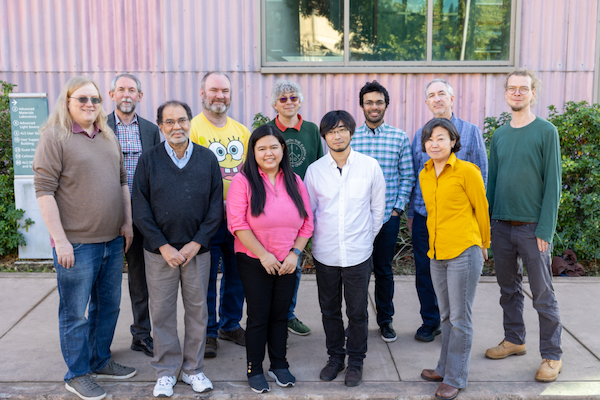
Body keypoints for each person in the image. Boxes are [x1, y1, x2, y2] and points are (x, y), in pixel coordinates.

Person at [33, 76, 136, 400]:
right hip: (76, 245)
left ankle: (99, 359)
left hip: (112, 240)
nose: (90, 105)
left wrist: (128, 224)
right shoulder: (55, 137)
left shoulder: (108, 136)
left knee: (108, 308)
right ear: (67, 102)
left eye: (94, 99)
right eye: (82, 99)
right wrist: (60, 240)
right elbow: (44, 191)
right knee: (75, 312)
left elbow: (122, 182)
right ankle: (77, 373)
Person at [133, 101, 223, 397]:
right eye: (169, 122)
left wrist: (197, 242)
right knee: (161, 312)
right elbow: (140, 207)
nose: (177, 127)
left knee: (198, 312)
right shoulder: (149, 160)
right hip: (160, 254)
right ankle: (166, 371)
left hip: (198, 251)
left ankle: (193, 369)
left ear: (190, 123)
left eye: (182, 120)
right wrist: (163, 245)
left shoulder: (207, 159)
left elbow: (215, 206)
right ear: (160, 126)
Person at [485, 69, 563, 383]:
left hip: (533, 228)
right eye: (512, 88)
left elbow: (554, 185)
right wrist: (486, 228)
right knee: (508, 290)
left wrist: (545, 229)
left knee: (543, 294)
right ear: (506, 93)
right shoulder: (500, 135)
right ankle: (515, 339)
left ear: (533, 93)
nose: (517, 93)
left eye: (524, 88)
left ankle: (552, 355)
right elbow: (491, 184)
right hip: (501, 226)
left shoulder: (547, 132)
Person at [226, 124, 314, 393]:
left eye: (273, 146)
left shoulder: (295, 180)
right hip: (254, 260)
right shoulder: (243, 181)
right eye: (261, 147)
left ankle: (279, 364)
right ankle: (254, 367)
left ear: (283, 149)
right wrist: (264, 255)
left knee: (280, 315)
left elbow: (307, 223)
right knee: (258, 316)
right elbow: (237, 224)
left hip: (287, 260)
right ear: (253, 152)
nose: (268, 152)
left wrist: (295, 254)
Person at [304, 111, 385, 387]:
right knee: (329, 310)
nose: (337, 136)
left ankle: (356, 361)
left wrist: (364, 240)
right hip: (325, 253)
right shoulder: (315, 171)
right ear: (324, 136)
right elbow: (310, 213)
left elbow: (377, 210)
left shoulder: (370, 166)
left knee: (358, 311)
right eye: (331, 132)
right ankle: (335, 357)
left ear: (351, 132)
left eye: (342, 130)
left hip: (358, 253)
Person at [407, 78, 488, 342]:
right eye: (432, 95)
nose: (437, 98)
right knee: (425, 272)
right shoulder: (422, 135)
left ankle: (456, 325)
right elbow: (415, 178)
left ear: (452, 98)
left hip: (459, 224)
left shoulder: (471, 132)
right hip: (425, 218)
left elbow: (482, 178)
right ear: (427, 102)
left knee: (457, 279)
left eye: (442, 93)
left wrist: (480, 230)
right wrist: (411, 214)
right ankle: (431, 321)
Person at [418, 118, 490, 400]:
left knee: (461, 318)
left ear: (453, 142)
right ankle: (444, 367)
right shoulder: (425, 173)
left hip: (464, 250)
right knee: (445, 316)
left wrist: (484, 243)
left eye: (440, 138)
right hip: (437, 253)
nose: (434, 143)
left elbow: (481, 208)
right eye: (429, 139)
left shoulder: (467, 171)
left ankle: (456, 377)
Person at [190, 71, 249, 358]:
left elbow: (251, 173)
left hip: (239, 219)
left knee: (237, 275)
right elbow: (187, 176)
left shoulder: (242, 131)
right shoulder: (192, 129)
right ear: (202, 93)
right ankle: (209, 332)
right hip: (207, 219)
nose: (219, 95)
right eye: (214, 90)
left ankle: (230, 324)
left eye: (224, 90)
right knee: (207, 276)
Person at [351, 80, 415, 342]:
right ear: (362, 106)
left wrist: (397, 210)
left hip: (388, 217)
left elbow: (407, 176)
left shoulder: (399, 137)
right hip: (357, 217)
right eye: (369, 102)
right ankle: (357, 322)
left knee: (384, 270)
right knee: (357, 272)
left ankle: (385, 320)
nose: (374, 107)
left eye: (379, 102)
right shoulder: (351, 137)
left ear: (386, 105)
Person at [108, 73, 161, 358]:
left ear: (139, 96)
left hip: (140, 214)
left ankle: (141, 335)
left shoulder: (152, 130)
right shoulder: (98, 126)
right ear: (111, 94)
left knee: (140, 279)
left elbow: (156, 173)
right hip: (106, 214)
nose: (126, 94)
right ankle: (100, 338)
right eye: (121, 89)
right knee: (103, 280)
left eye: (132, 90)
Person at [267, 79, 324, 337]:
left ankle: (287, 315)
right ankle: (271, 320)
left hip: (301, 208)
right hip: (271, 208)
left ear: (300, 101)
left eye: (293, 98)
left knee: (294, 264)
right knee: (269, 266)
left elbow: (320, 167)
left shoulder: (311, 130)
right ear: (274, 104)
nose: (289, 103)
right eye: (283, 99)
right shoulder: (267, 129)